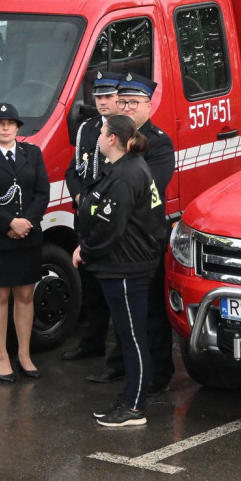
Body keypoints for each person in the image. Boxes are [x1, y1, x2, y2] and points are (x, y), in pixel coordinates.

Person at [73, 114, 167, 426]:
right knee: (130, 336)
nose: (98, 137)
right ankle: (131, 398)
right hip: (127, 264)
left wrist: (85, 250)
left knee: (132, 337)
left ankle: (133, 406)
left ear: (112, 138)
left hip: (127, 267)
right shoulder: (125, 168)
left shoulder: (127, 174)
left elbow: (111, 227)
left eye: (102, 132)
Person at [86, 74, 176, 394]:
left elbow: (149, 185)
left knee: (150, 310)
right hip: (119, 241)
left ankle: (159, 371)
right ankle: (121, 364)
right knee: (123, 314)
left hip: (142, 238)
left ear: (149, 106)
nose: (125, 107)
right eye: (122, 102)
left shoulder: (159, 141)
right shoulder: (113, 137)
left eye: (133, 103)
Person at [0, 102, 49, 382]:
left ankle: (24, 354)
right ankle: (1, 354)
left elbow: (42, 193)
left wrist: (25, 223)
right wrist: (8, 224)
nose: (5, 127)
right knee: (0, 296)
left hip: (28, 236)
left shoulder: (33, 153)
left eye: (10, 123)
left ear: (17, 127)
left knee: (25, 296)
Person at [61, 71, 124, 362]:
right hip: (86, 213)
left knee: (114, 285)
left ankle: (119, 352)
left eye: (108, 96)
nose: (102, 102)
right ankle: (92, 342)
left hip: (111, 216)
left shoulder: (126, 129)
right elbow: (74, 170)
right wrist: (78, 196)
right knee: (90, 284)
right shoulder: (87, 129)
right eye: (98, 96)